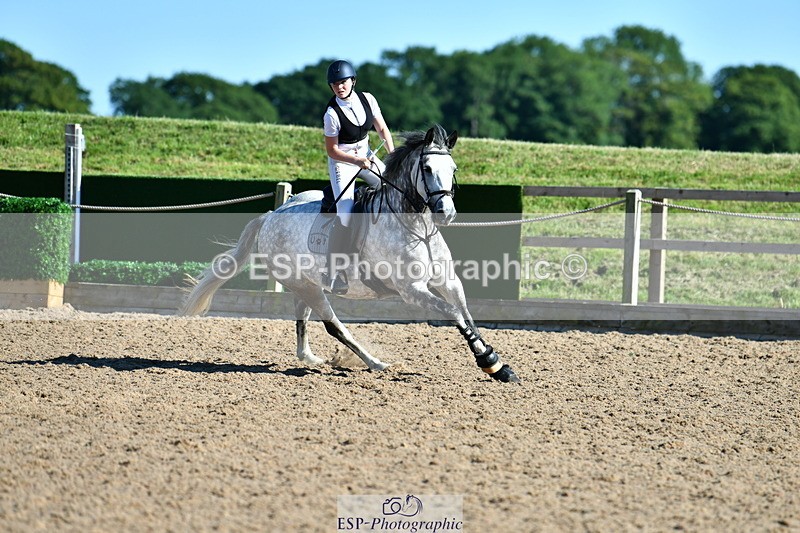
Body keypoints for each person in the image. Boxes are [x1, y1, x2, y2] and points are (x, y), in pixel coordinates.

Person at [323, 59, 394, 294]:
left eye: (343, 82)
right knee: (345, 213)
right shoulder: (331, 113)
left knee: (393, 189)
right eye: (334, 84)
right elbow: (332, 150)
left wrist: (394, 157)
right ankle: (332, 272)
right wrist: (356, 161)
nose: (339, 87)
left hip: (367, 155)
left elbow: (382, 129)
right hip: (343, 163)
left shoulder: (368, 99)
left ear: (353, 81)